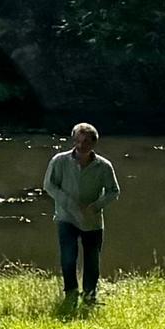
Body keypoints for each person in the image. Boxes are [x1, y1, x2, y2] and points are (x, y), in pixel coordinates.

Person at [45, 122, 120, 305]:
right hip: (66, 217)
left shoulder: (103, 166)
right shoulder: (59, 161)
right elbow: (49, 185)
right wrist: (69, 203)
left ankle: (90, 295)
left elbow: (113, 191)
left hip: (92, 221)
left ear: (94, 143)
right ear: (74, 140)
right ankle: (70, 293)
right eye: (78, 140)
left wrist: (95, 206)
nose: (82, 145)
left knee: (92, 260)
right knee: (68, 257)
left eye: (87, 141)